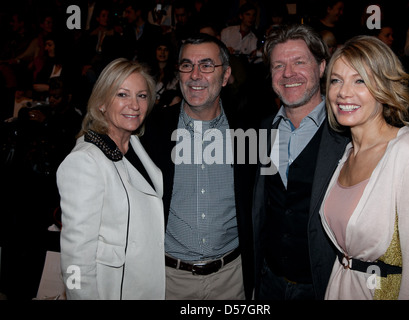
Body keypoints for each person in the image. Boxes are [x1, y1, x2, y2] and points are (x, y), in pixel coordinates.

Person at [319, 35, 409, 300]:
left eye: (359, 80)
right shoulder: (347, 153)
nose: (343, 92)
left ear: (384, 86)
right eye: (336, 80)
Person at [141, 33, 255, 300]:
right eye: (186, 65)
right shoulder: (151, 130)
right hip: (168, 280)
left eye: (206, 65)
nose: (194, 75)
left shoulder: (249, 132)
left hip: (232, 279)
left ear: (225, 76)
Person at [252, 23, 350, 300]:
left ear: (321, 67)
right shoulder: (262, 130)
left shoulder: (346, 133)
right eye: (278, 65)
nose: (288, 74)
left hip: (323, 285)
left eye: (299, 62)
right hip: (268, 281)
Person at [57, 58, 165, 299]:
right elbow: (74, 258)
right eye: (123, 95)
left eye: (142, 96)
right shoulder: (85, 161)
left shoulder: (137, 144)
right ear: (103, 103)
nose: (134, 105)